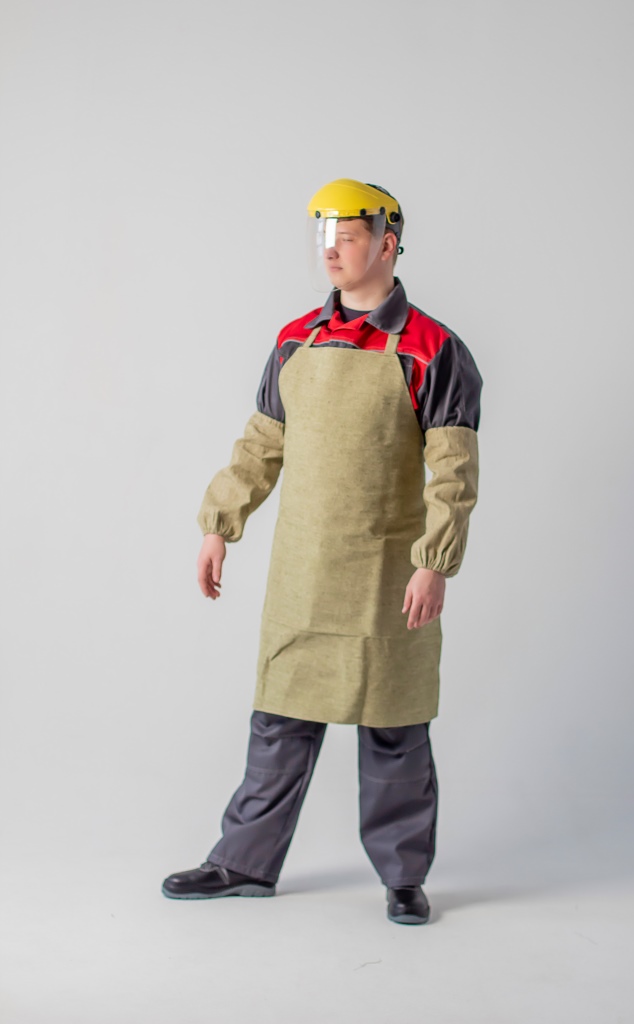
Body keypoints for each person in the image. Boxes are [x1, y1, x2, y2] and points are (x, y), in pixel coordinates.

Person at [161, 179, 483, 925]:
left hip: (386, 577)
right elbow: (261, 444)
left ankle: (403, 879)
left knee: (394, 730)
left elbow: (454, 471)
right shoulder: (295, 341)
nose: (330, 249)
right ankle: (243, 863)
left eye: (346, 235)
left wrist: (434, 562)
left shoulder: (433, 349)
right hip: (303, 572)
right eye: (323, 236)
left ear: (387, 244)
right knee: (279, 719)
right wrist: (218, 524)